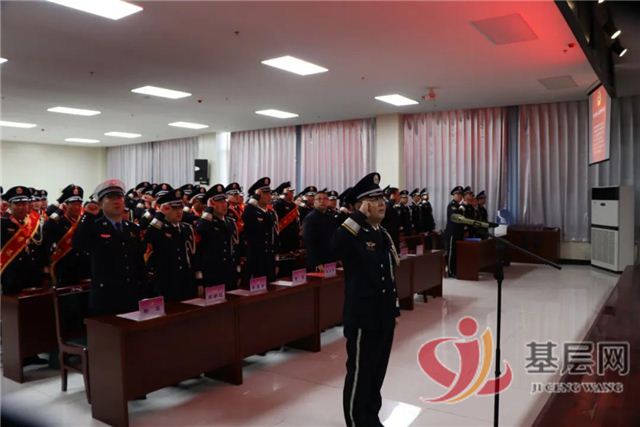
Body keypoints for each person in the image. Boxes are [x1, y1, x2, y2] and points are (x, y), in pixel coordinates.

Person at [333, 172, 400, 427]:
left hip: (383, 316)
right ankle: (356, 421)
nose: (382, 203)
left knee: (376, 374)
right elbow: (335, 246)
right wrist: (357, 216)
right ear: (362, 205)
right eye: (374, 199)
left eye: (382, 198)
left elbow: (388, 275)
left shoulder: (381, 233)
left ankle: (371, 418)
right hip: (363, 317)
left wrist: (394, 310)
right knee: (360, 375)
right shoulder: (353, 233)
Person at [72, 179, 146, 315]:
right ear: (100, 203)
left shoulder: (132, 229)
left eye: (119, 197)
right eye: (110, 197)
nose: (116, 201)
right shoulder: (94, 227)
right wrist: (88, 215)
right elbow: (78, 244)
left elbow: (138, 262)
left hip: (131, 295)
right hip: (106, 297)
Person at [144, 188, 197, 302]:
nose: (179, 212)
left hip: (186, 282)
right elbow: (148, 236)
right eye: (174, 208)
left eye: (180, 207)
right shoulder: (158, 228)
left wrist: (198, 280)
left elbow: (193, 257)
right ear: (165, 209)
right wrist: (159, 214)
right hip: (166, 283)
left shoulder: (187, 228)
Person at [1, 186, 48, 294]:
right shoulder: (3, 224)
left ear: (28, 205)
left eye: (24, 204)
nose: (21, 207)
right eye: (17, 204)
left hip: (34, 276)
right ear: (10, 205)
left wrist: (46, 274)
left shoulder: (37, 224)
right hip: (12, 278)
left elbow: (43, 250)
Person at [42, 185, 91, 286]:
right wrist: (58, 211)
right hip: (64, 269)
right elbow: (46, 228)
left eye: (79, 204)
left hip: (84, 269)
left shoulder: (84, 221)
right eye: (73, 204)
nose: (77, 207)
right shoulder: (58, 222)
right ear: (66, 205)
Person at [194, 184, 238, 291]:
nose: (224, 205)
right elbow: (200, 230)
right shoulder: (206, 222)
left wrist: (237, 270)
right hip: (212, 273)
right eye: (219, 202)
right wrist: (209, 209)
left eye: (224, 201)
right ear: (212, 204)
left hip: (229, 271)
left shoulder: (230, 222)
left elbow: (235, 247)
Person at [242, 177, 278, 282]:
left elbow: (274, 237)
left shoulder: (270, 213)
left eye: (269, 193)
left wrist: (276, 261)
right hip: (256, 260)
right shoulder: (251, 211)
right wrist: (255, 197)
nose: (269, 195)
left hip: (269, 259)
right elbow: (246, 216)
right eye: (265, 193)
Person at [302, 189, 335, 272]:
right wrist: (316, 262)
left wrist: (337, 257)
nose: (322, 201)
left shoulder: (330, 217)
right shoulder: (310, 218)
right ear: (314, 202)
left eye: (325, 199)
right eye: (319, 199)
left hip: (330, 259)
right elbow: (309, 242)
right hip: (317, 262)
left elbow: (333, 239)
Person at [272, 181, 300, 254]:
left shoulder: (293, 205)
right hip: (283, 235)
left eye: (292, 192)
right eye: (290, 192)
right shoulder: (278, 204)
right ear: (284, 193)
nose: (292, 193)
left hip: (293, 235)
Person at [444, 186, 465, 278]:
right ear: (454, 195)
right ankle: (450, 271)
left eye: (461, 194)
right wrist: (461, 208)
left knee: (457, 252)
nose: (460, 196)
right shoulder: (452, 205)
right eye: (458, 194)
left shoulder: (459, 206)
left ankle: (456, 270)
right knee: (451, 252)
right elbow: (456, 217)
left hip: (458, 232)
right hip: (452, 232)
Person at [381, 186, 401, 251]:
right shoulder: (388, 206)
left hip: (394, 237)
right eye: (398, 195)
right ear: (393, 195)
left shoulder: (393, 206)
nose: (400, 197)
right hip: (390, 238)